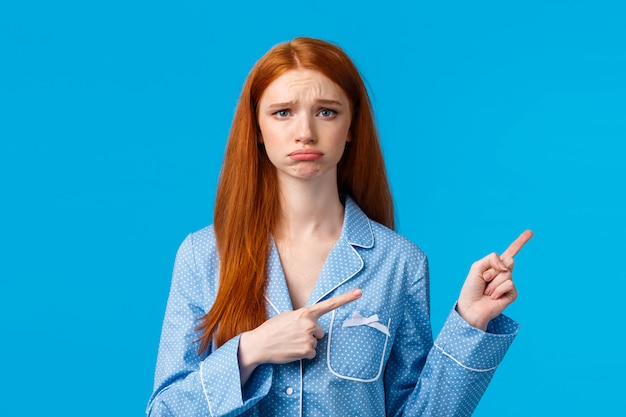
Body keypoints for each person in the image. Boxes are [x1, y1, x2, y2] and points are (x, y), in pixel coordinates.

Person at [146, 37, 533, 417]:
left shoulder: (400, 263)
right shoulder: (203, 255)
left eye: (326, 111)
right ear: (257, 129)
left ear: (351, 126)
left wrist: (470, 321)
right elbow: (163, 411)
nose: (305, 132)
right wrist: (250, 350)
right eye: (282, 112)